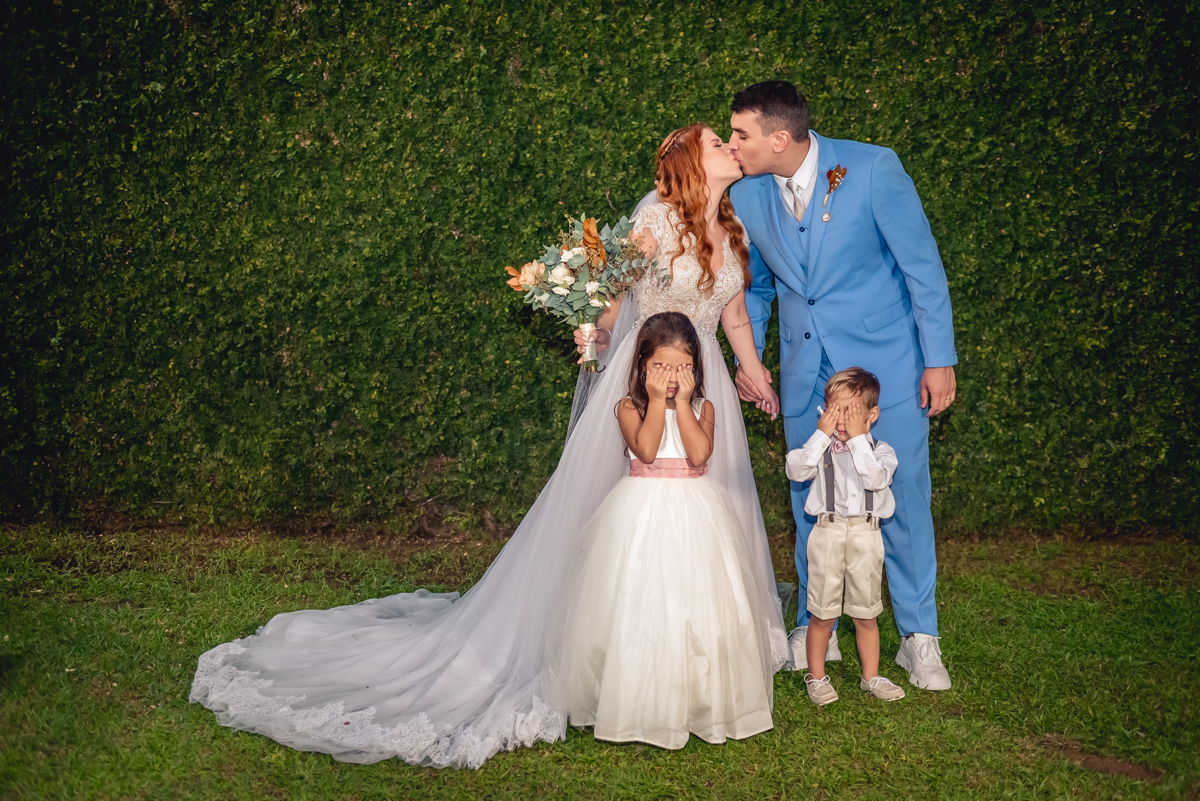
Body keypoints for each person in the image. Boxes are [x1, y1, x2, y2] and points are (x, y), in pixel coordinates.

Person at [189, 123, 789, 769]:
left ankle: (707, 650)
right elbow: (614, 305)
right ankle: (610, 645)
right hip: (646, 379)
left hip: (707, 384)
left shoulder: (733, 227)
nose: (731, 146)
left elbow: (730, 313)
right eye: (716, 142)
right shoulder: (653, 218)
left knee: (713, 508)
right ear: (687, 161)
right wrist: (591, 332)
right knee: (621, 513)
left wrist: (750, 368)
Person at [727, 80, 957, 690]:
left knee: (901, 495)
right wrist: (751, 362)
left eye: (740, 134)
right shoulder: (747, 195)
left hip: (887, 368)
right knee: (812, 497)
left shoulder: (873, 167)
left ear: (781, 137)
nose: (732, 145)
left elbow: (922, 267)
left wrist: (939, 359)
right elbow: (755, 287)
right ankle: (815, 622)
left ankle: (918, 636)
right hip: (808, 373)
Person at [547, 312, 774, 747]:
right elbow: (647, 451)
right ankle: (634, 697)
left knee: (697, 604)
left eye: (683, 367)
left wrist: (685, 405)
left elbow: (699, 453)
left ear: (697, 368)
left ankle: (696, 698)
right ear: (642, 366)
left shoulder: (703, 407)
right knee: (639, 599)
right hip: (641, 512)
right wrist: (655, 400)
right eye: (662, 367)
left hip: (697, 512)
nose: (672, 377)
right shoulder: (627, 407)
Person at [784, 367, 906, 705]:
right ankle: (817, 676)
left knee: (866, 612)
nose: (842, 421)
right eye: (835, 411)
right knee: (822, 612)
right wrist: (821, 436)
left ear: (872, 415)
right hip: (827, 533)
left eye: (851, 412)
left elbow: (875, 479)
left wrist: (856, 441)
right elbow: (796, 469)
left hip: (867, 536)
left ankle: (871, 676)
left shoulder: (882, 452)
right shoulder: (819, 449)